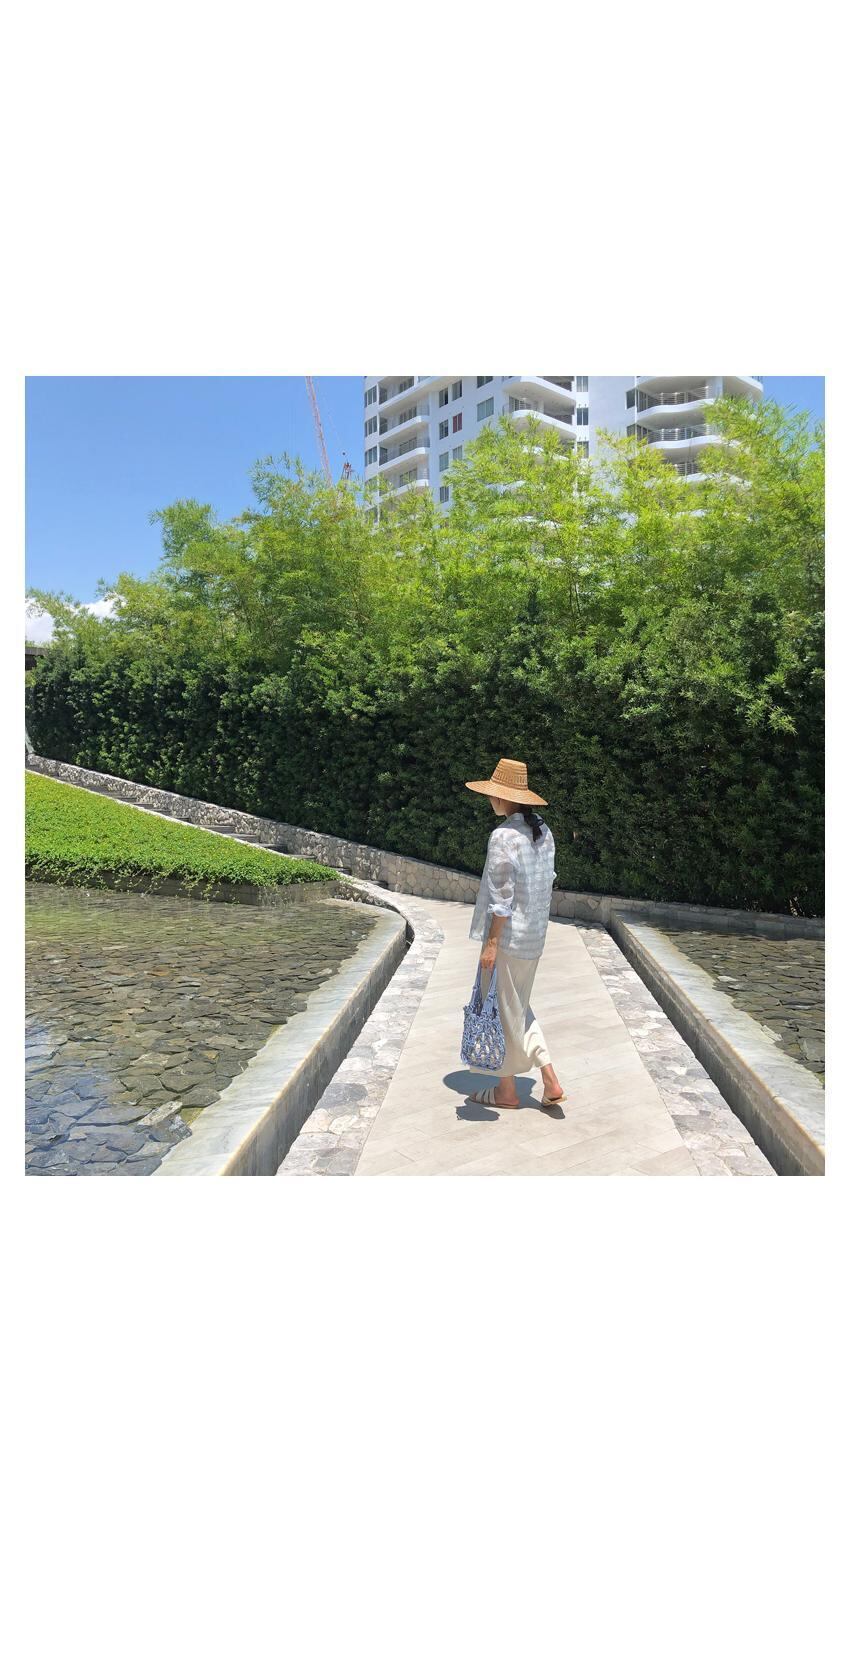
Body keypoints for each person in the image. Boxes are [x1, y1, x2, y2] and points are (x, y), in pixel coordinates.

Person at [464, 757, 564, 1110]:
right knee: (515, 1006)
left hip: (508, 939)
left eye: (493, 793)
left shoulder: (503, 836)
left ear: (503, 797)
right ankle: (549, 1078)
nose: (490, 799)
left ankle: (507, 1091)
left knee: (502, 1007)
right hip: (534, 937)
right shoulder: (543, 831)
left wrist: (491, 944)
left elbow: (500, 899)